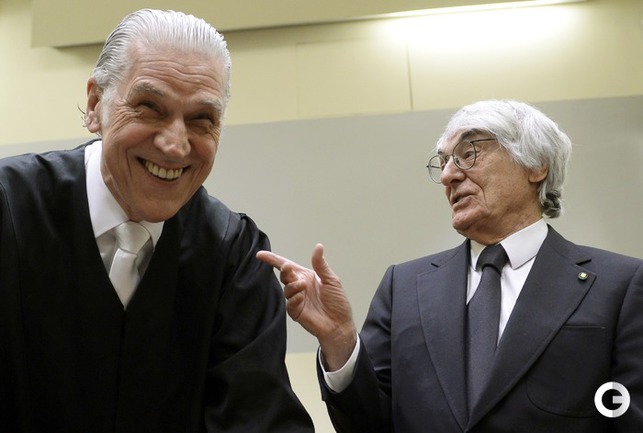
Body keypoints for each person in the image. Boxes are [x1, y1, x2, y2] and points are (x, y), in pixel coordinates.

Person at [0, 9, 314, 433]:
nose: (174, 144)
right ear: (95, 105)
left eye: (202, 119)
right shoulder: (10, 211)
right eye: (149, 108)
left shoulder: (233, 258)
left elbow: (260, 418)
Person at [257, 99, 643, 432]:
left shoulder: (620, 286)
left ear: (536, 165)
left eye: (468, 153)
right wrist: (340, 339)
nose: (448, 175)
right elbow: (369, 424)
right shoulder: (404, 287)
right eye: (443, 162)